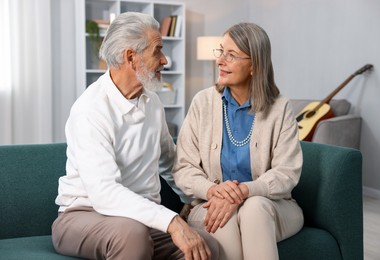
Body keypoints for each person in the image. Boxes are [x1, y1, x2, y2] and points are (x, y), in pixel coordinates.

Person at [52, 12, 219, 260]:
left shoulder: (151, 102)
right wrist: (172, 221)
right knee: (132, 235)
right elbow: (104, 193)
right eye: (157, 51)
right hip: (84, 215)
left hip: (139, 218)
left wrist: (196, 198)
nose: (165, 60)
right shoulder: (90, 110)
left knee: (206, 247)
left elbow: (169, 162)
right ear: (131, 57)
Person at [172, 22, 304, 260]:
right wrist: (213, 190)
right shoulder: (203, 102)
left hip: (272, 206)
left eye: (231, 55)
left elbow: (287, 172)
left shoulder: (280, 107)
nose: (220, 60)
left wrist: (245, 191)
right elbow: (183, 168)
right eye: (221, 51)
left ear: (254, 65)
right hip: (209, 204)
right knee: (224, 218)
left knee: (254, 209)